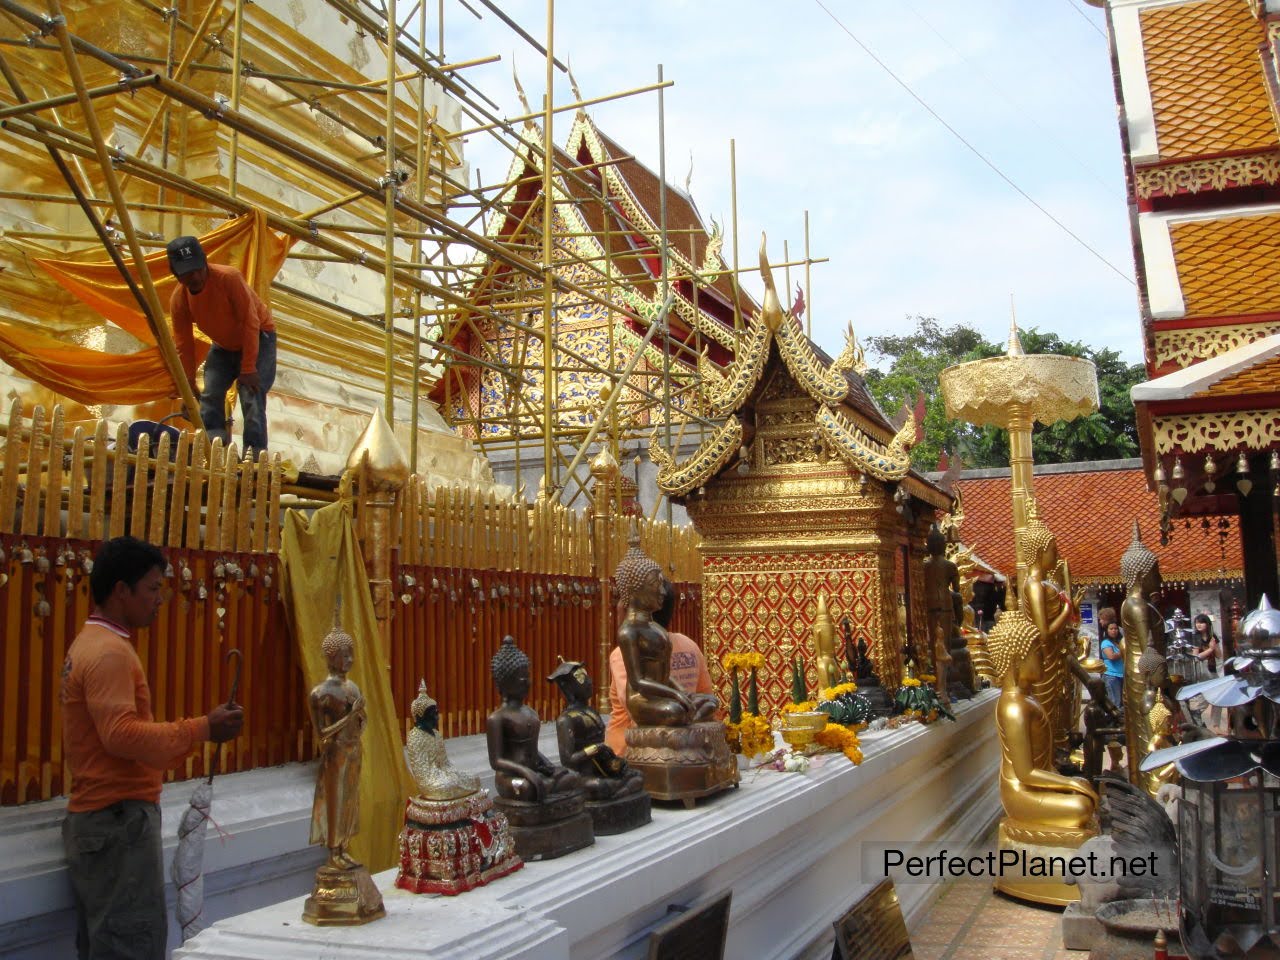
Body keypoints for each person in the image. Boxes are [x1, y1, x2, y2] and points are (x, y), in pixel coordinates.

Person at [60, 536, 244, 960]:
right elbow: (121, 736)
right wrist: (202, 728)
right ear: (121, 591)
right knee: (130, 947)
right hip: (116, 823)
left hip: (103, 822)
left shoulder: (92, 644)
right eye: (152, 589)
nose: (158, 600)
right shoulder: (108, 652)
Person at [167, 236, 277, 453]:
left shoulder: (229, 278)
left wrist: (248, 368)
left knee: (250, 393)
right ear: (177, 275)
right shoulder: (179, 300)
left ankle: (254, 455)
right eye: (188, 273)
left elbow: (250, 322)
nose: (196, 277)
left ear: (205, 262)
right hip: (224, 345)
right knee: (210, 394)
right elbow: (183, 344)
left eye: (199, 269)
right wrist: (187, 385)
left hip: (258, 336)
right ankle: (214, 447)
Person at [605, 575, 717, 756]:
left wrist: (683, 697)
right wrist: (677, 696)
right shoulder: (631, 637)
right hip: (647, 709)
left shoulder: (626, 650)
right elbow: (637, 688)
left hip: (663, 714)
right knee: (677, 711)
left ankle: (687, 724)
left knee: (710, 703)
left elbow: (703, 694)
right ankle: (687, 724)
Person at [1099, 621, 1125, 712]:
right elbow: (1111, 656)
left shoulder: (1118, 642)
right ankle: (1112, 722)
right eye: (1111, 629)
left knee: (1122, 702)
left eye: (1116, 629)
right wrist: (1124, 652)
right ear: (1107, 631)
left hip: (1121, 675)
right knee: (1115, 701)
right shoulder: (1105, 643)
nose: (1114, 631)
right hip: (1111, 676)